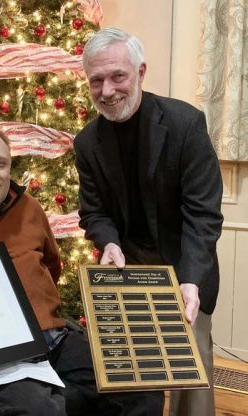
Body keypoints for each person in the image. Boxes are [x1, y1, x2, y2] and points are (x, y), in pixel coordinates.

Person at [0, 125, 164, 416]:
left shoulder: (29, 209)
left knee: (138, 385)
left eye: (0, 163)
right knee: (38, 409)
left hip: (52, 338)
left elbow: (51, 267)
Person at [73, 28, 223, 416]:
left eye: (117, 76)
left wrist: (191, 280)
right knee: (133, 379)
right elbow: (94, 212)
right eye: (96, 80)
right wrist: (108, 242)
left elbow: (202, 215)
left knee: (192, 376)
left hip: (185, 263)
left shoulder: (185, 123)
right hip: (129, 271)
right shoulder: (87, 142)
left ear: (140, 72)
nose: (107, 91)